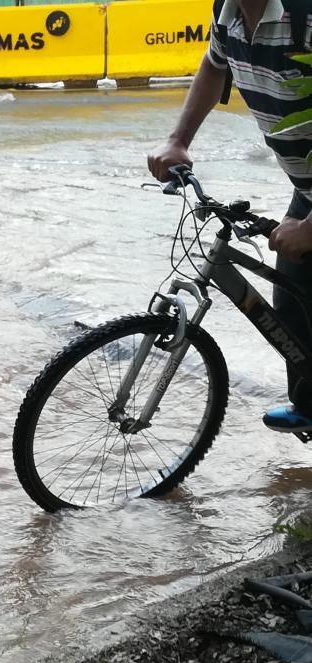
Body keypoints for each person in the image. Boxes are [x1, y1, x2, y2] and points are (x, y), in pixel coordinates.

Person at [148, 0, 312, 433]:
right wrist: (178, 140)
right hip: (307, 187)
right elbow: (214, 66)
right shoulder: (229, 14)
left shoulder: (305, 17)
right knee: (293, 300)